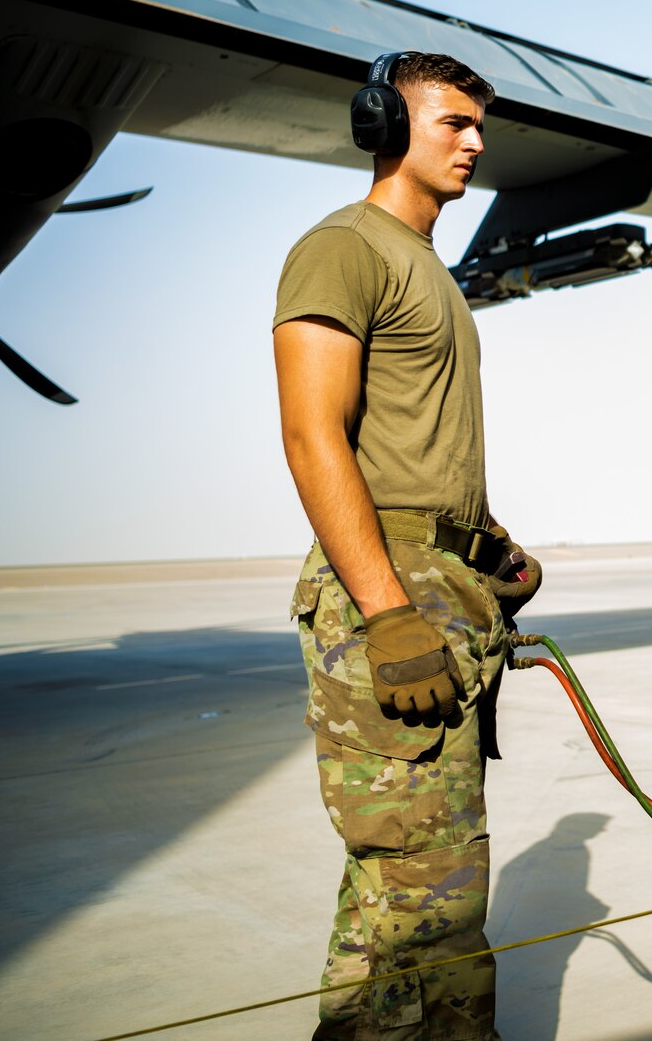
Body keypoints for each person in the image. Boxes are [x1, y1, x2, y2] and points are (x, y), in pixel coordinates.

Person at [274, 51, 542, 1040]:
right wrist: (389, 613)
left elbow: (415, 450)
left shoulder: (426, 266)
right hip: (386, 599)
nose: (474, 141)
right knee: (434, 911)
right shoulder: (343, 248)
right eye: (451, 122)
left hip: (441, 587)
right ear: (385, 123)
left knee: (388, 901)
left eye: (480, 125)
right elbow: (313, 436)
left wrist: (490, 550)